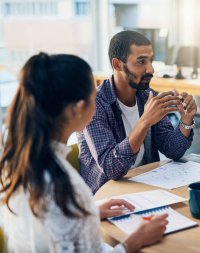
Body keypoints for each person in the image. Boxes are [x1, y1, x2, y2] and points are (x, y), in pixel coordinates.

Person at [0, 53, 168, 252]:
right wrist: (134, 242)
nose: (97, 105)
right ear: (78, 108)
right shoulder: (63, 187)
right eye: (93, 98)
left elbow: (50, 223)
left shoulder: (22, 156)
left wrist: (88, 212)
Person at [78, 30, 197, 193]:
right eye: (141, 62)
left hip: (146, 186)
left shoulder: (147, 97)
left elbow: (172, 150)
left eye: (151, 61)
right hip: (107, 195)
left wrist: (186, 120)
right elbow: (111, 169)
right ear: (117, 64)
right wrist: (145, 121)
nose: (151, 69)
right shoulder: (94, 105)